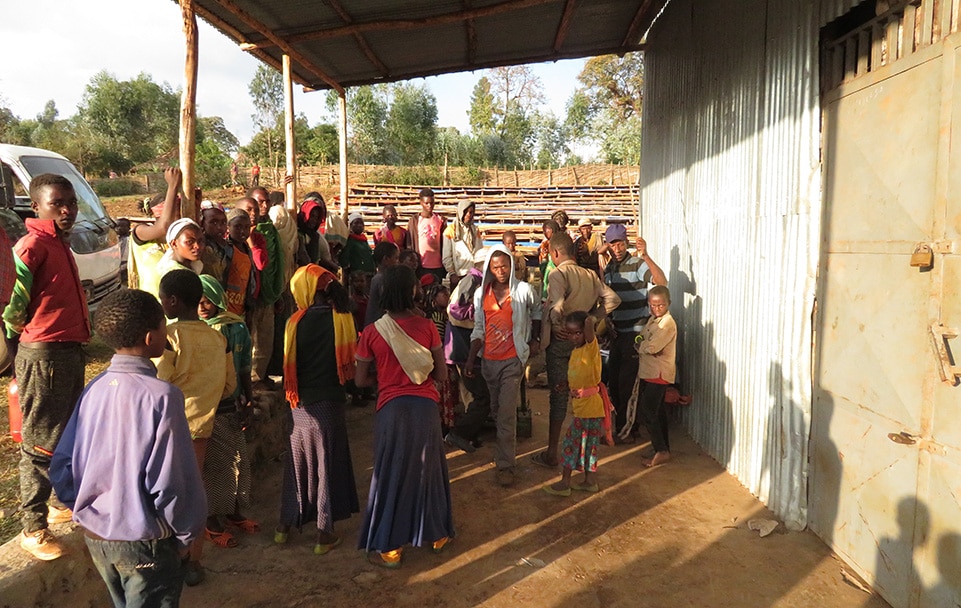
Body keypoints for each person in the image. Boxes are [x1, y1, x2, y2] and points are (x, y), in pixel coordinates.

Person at [50, 289, 206, 606]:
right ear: (151, 338)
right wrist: (187, 534)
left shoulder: (94, 389)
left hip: (98, 539)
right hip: (146, 542)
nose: (167, 332)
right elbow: (172, 482)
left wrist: (87, 510)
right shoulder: (163, 397)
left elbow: (62, 465)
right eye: (164, 326)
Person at [2, 174, 90, 561]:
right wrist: (19, 334)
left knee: (67, 431)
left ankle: (58, 502)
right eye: (59, 203)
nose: (68, 210)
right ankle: (33, 527)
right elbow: (12, 303)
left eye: (72, 202)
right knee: (40, 442)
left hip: (69, 351)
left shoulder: (58, 243)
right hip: (44, 355)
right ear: (36, 207)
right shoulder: (32, 245)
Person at [355, 265, 454, 568]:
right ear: (412, 290)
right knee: (430, 471)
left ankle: (391, 545)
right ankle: (436, 534)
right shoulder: (426, 326)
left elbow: (359, 381)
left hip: (391, 410)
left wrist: (385, 379)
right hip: (425, 409)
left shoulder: (372, 332)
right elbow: (441, 373)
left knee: (391, 474)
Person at [155, 269, 236, 585]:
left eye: (162, 299)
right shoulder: (218, 338)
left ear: (172, 302)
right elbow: (229, 385)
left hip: (170, 428)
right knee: (194, 492)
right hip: (203, 428)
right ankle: (194, 561)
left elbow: (158, 382)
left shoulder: (170, 339)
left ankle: (169, 559)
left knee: (167, 494)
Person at [276, 264, 359, 554]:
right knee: (327, 464)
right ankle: (323, 534)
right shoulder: (343, 318)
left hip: (299, 404)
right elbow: (350, 368)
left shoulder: (294, 323)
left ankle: (284, 528)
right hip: (330, 402)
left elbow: (287, 366)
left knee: (296, 464)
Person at [530, 232, 619, 469]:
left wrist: (558, 324)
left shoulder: (559, 273)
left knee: (559, 397)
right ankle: (584, 454)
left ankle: (552, 453)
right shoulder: (589, 275)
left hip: (561, 343)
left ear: (555, 253)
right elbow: (613, 299)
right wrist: (590, 319)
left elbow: (557, 305)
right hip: (584, 343)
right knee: (586, 396)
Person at [462, 246, 541, 487]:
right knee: (496, 411)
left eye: (504, 266)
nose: (501, 271)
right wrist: (470, 357)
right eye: (495, 267)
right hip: (489, 361)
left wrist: (534, 339)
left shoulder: (524, 291)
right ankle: (505, 451)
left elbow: (537, 310)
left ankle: (506, 465)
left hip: (512, 359)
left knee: (506, 415)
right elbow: (478, 328)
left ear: (511, 265)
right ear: (488, 268)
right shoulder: (480, 295)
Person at [197, 275, 257, 550]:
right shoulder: (192, 332)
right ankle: (212, 521)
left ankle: (234, 511)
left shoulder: (236, 326)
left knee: (239, 460)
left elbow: (244, 366)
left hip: (232, 403)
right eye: (198, 300)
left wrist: (249, 399)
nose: (203, 306)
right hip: (208, 407)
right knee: (216, 466)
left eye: (208, 299)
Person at [598, 224, 667, 443]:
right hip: (617, 333)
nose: (617, 248)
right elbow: (605, 293)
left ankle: (627, 431)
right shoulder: (610, 268)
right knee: (614, 383)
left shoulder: (637, 264)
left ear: (626, 242)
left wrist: (645, 255)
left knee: (628, 384)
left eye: (620, 243)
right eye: (613, 244)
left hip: (636, 333)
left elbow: (661, 282)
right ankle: (621, 427)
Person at [542, 311, 609, 496]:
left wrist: (591, 320)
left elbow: (588, 324)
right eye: (570, 333)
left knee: (571, 444)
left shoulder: (590, 347)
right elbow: (580, 376)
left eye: (577, 333)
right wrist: (565, 385)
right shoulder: (576, 351)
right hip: (586, 408)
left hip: (588, 408)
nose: (573, 337)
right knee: (588, 446)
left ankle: (565, 483)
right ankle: (589, 481)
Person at [622, 285, 677, 467]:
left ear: (668, 303)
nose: (657, 308)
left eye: (661, 305)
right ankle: (662, 448)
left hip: (658, 373)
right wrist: (643, 344)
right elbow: (641, 338)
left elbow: (653, 347)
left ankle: (661, 450)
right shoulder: (653, 320)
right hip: (650, 372)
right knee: (658, 412)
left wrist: (642, 346)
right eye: (653, 305)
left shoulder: (667, 324)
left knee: (648, 412)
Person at [443, 249, 492, 453]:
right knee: (480, 396)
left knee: (471, 394)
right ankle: (459, 434)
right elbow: (454, 309)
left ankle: (468, 435)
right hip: (463, 347)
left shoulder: (477, 282)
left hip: (464, 347)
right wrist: (477, 312)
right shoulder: (472, 281)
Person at [237, 194, 283, 389]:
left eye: (256, 209)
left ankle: (258, 377)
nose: (254, 213)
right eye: (249, 210)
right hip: (239, 300)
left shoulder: (262, 236)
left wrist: (252, 242)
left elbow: (262, 263)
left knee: (264, 339)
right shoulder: (228, 242)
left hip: (263, 294)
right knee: (245, 342)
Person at [127, 167, 182, 295]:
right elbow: (164, 226)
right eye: (177, 212)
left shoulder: (180, 239)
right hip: (151, 306)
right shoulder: (141, 231)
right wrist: (173, 186)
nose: (180, 217)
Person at [423, 281, 455, 435]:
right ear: (434, 298)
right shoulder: (436, 316)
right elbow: (439, 340)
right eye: (444, 294)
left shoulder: (439, 314)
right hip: (439, 358)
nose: (447, 297)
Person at [407, 188, 446, 282]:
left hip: (437, 265)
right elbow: (409, 243)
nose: (430, 205)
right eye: (426, 203)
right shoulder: (415, 221)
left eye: (432, 203)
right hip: (421, 266)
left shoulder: (440, 220)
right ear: (421, 202)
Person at [156, 218, 204, 293]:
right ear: (174, 244)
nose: (197, 246)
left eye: (200, 241)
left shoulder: (193, 267)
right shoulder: (173, 275)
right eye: (189, 242)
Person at [225, 209, 256, 317]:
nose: (242, 231)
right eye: (237, 227)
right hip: (226, 310)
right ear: (228, 227)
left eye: (247, 227)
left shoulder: (247, 250)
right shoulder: (226, 250)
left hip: (241, 309)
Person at [443, 200, 480, 286]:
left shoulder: (475, 230)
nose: (468, 215)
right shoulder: (450, 230)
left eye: (471, 212)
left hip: (472, 273)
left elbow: (479, 251)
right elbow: (446, 256)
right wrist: (452, 273)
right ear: (460, 212)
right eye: (466, 212)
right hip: (458, 275)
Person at [364, 241, 399, 327]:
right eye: (396, 258)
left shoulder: (379, 278)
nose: (398, 262)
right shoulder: (381, 279)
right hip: (378, 326)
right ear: (386, 259)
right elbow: (389, 305)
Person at [340, 211, 375, 280]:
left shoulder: (364, 240)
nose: (359, 225)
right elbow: (344, 258)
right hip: (357, 277)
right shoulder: (350, 240)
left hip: (369, 274)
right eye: (356, 223)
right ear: (350, 225)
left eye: (361, 223)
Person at [199, 205, 230, 284]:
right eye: (214, 222)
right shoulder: (201, 248)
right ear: (202, 224)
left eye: (223, 222)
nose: (219, 227)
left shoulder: (228, 247)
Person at [538, 219, 560, 299]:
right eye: (543, 231)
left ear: (552, 230)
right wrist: (544, 258)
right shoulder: (545, 244)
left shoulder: (560, 243)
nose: (544, 233)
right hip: (547, 276)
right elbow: (543, 269)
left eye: (546, 230)